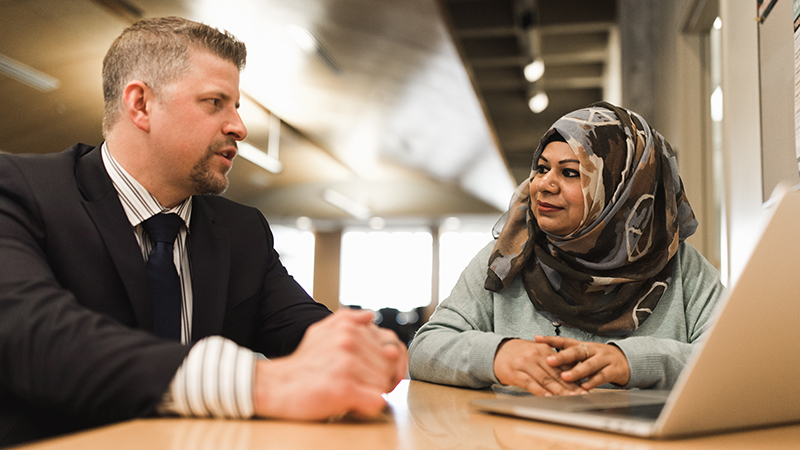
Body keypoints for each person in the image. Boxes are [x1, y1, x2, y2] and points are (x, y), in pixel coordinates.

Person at [0, 16, 406, 447]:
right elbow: (32, 334)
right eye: (215, 102)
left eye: (237, 106)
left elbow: (300, 325)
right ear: (140, 105)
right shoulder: (22, 190)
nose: (239, 127)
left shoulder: (242, 230)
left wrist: (361, 349)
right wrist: (257, 383)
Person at [408, 102, 723, 396]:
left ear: (622, 189)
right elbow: (425, 349)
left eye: (570, 172)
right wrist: (497, 354)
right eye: (542, 168)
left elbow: (736, 359)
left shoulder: (682, 268)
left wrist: (632, 361)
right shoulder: (508, 257)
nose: (544, 184)